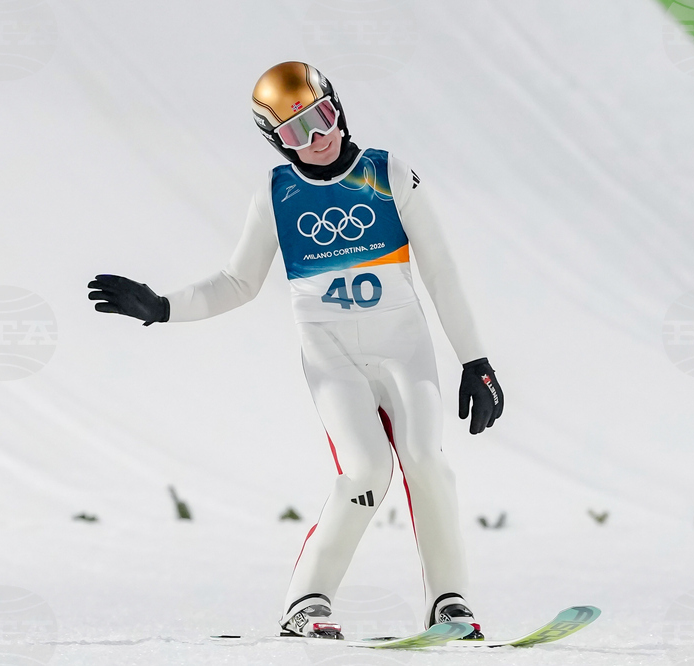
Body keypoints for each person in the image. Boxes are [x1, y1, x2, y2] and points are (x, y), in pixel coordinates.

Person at [88, 61, 504, 640]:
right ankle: (306, 601)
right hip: (331, 357)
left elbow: (441, 270)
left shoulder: (388, 172)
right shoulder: (276, 192)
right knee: (366, 471)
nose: (318, 137)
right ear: (277, 141)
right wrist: (163, 306)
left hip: (403, 348)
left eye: (323, 116)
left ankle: (450, 600)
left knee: (426, 461)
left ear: (338, 107)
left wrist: (474, 360)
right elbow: (238, 282)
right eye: (297, 131)